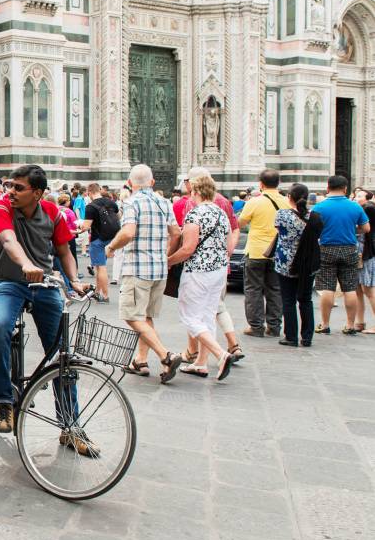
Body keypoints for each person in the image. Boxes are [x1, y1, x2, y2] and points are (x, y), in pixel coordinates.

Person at [0, 165, 91, 446]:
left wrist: (75, 280)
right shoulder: (2, 207)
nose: (11, 192)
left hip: (43, 284)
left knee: (61, 355)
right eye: (10, 185)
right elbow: (7, 239)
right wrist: (26, 264)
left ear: (38, 193)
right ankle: (3, 401)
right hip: (8, 281)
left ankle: (70, 425)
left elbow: (64, 250)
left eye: (18, 188)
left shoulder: (53, 213)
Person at [104, 164, 182, 383]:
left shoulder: (131, 203)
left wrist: (111, 247)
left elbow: (128, 232)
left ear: (130, 183)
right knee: (145, 316)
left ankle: (165, 355)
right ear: (153, 182)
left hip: (137, 268)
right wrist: (165, 254)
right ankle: (141, 360)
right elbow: (176, 232)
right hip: (159, 270)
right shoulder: (164, 202)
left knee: (131, 315)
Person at [168, 173, 235, 380]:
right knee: (207, 316)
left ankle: (220, 354)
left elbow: (188, 248)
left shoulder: (195, 214)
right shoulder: (221, 213)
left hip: (199, 271)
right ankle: (201, 363)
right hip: (219, 271)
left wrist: (168, 261)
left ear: (195, 191)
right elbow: (228, 241)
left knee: (190, 316)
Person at [312, 175, 370, 334]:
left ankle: (324, 324)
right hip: (350, 249)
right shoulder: (355, 207)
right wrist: (353, 230)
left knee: (327, 288)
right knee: (350, 288)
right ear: (345, 189)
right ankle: (350, 325)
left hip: (326, 249)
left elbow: (313, 230)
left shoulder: (319, 207)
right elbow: (366, 228)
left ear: (328, 187)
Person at [238, 169, 289, 337]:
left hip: (256, 251)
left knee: (253, 289)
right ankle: (274, 327)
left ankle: (256, 326)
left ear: (261, 184)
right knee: (275, 289)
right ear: (278, 183)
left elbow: (241, 222)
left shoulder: (254, 202)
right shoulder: (286, 202)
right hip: (278, 252)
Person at [273, 183, 322, 347]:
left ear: (289, 197)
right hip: (307, 263)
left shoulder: (282, 215)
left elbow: (279, 231)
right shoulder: (315, 216)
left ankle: (291, 336)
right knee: (306, 299)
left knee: (288, 300)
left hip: (286, 263)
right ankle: (307, 337)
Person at [80, 183, 118, 302]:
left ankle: (105, 295)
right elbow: (118, 217)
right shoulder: (111, 202)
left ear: (90, 192)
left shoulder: (90, 207)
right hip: (112, 237)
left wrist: (79, 226)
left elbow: (86, 227)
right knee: (99, 267)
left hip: (98, 239)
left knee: (101, 267)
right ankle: (97, 292)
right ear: (99, 190)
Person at [356, 189, 375, 333]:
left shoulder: (368, 208)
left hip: (365, 254)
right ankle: (359, 321)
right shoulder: (365, 208)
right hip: (361, 254)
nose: (356, 198)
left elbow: (365, 231)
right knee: (358, 290)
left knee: (368, 290)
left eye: (359, 196)